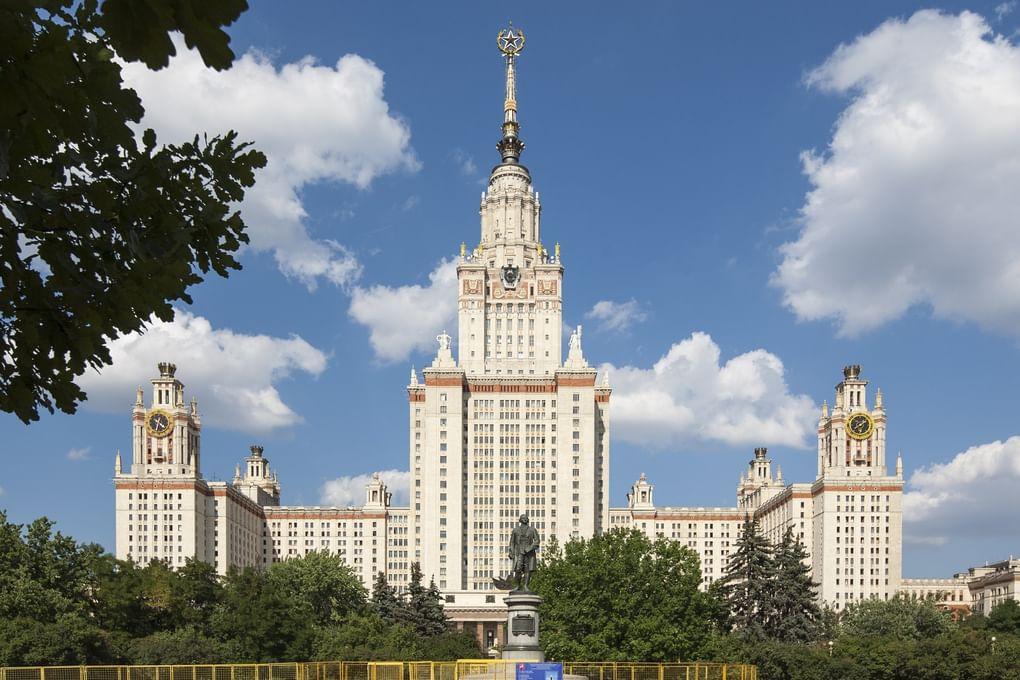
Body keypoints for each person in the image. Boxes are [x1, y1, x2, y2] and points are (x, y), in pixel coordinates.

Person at [508, 514, 540, 591]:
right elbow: (512, 542)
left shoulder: (532, 530)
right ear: (520, 520)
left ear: (528, 520)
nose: (524, 519)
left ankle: (526, 586)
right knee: (518, 569)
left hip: (529, 553)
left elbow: (537, 541)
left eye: (526, 518)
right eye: (523, 518)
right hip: (518, 552)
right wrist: (511, 552)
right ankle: (517, 586)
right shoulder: (515, 530)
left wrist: (529, 548)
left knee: (527, 569)